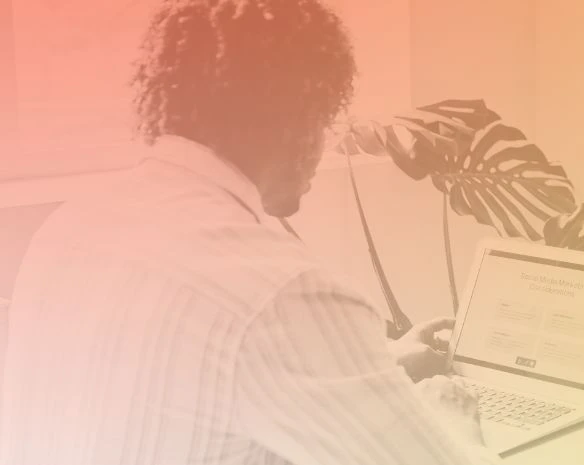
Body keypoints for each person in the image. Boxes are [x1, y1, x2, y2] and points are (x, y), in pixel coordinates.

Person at [0, 1, 495, 464]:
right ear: (295, 117)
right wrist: (450, 417)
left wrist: (372, 366)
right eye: (325, 119)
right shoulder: (281, 292)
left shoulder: (70, 227)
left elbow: (181, 381)